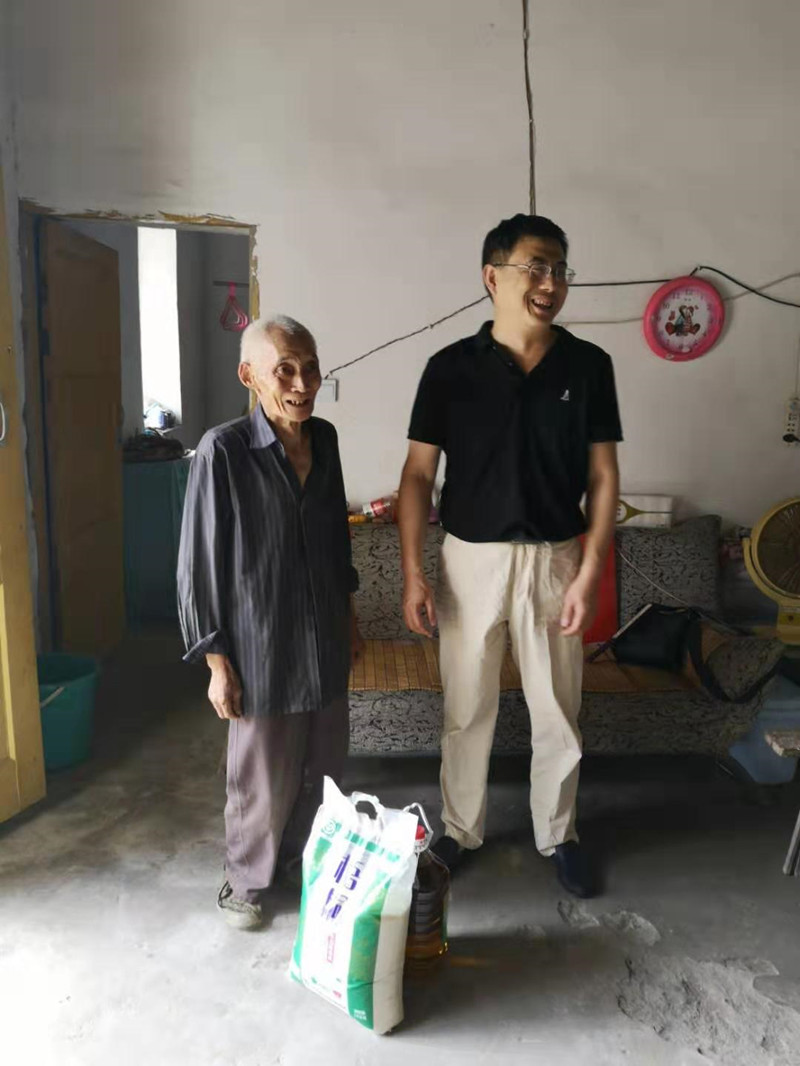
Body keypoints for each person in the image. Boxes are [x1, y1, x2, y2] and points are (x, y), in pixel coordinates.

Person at [398, 214, 621, 898]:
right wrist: (413, 572)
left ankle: (559, 833)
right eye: (536, 267)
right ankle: (459, 829)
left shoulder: (588, 366)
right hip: (470, 563)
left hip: (555, 560)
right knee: (466, 708)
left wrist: (589, 570)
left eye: (560, 269)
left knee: (558, 711)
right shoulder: (448, 370)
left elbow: (603, 477)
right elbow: (417, 476)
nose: (551, 283)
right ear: (493, 277)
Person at [177, 315, 361, 928]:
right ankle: (245, 881)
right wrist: (216, 662)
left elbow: (335, 538)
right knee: (261, 776)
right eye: (285, 369)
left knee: (324, 768)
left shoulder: (325, 439)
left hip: (324, 634)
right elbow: (199, 563)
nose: (302, 383)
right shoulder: (223, 450)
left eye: (310, 367)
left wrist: (349, 616)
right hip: (261, 643)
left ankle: (298, 862)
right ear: (249, 375)